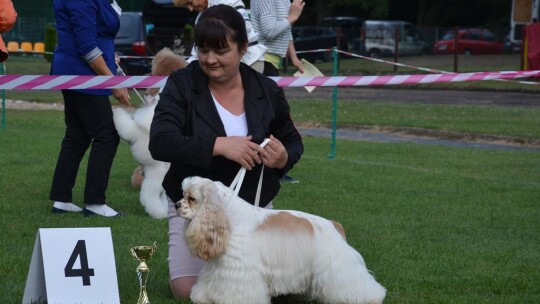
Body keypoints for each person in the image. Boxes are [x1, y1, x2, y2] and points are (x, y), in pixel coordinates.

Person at [148, 4, 303, 299]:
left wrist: (283, 158)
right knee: (187, 290)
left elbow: (294, 142)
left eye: (220, 51)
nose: (210, 59)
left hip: (253, 206)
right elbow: (160, 142)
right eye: (203, 50)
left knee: (281, 290)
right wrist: (219, 145)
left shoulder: (267, 89)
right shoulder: (181, 83)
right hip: (197, 205)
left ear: (243, 48)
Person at [49, 0, 130, 217]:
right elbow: (86, 46)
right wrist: (114, 82)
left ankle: (62, 199)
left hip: (80, 73)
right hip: (81, 74)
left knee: (77, 136)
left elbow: (98, 36)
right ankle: (95, 203)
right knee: (107, 136)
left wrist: (110, 55)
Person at [172, 0, 271, 74]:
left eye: (190, 2)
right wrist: (182, 67)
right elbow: (196, 53)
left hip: (250, 63)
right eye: (186, 6)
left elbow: (244, 30)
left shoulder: (228, 1)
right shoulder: (200, 18)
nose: (190, 9)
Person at [250, 0, 305, 75]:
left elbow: (285, 27)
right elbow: (269, 31)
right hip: (262, 61)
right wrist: (293, 16)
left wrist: (294, 58)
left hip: (271, 62)